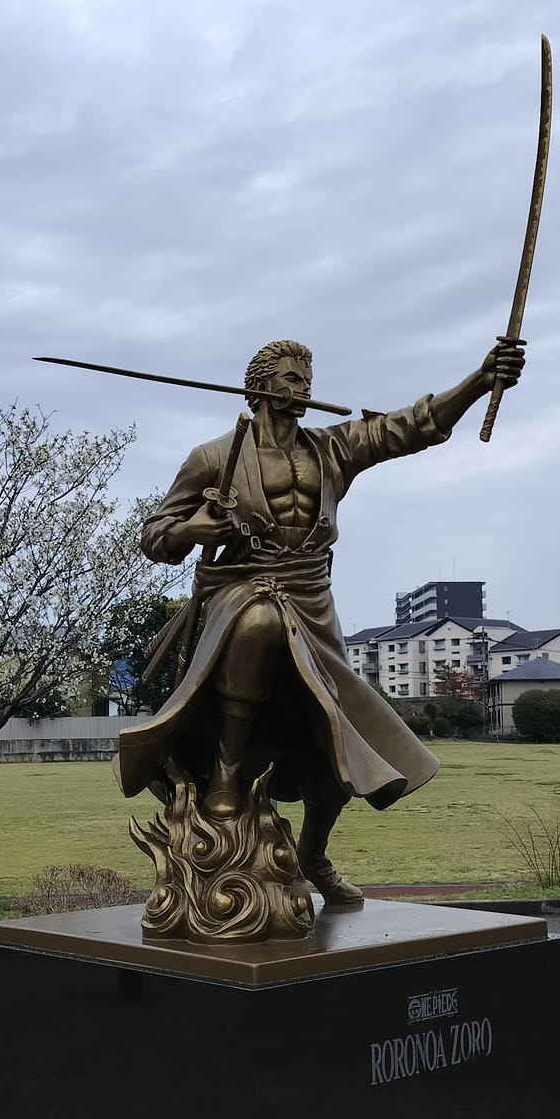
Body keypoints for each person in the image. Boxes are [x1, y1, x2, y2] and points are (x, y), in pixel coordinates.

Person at [115, 335, 525, 905]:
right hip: (242, 589)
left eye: (307, 380)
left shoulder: (331, 449)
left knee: (334, 732)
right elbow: (155, 536)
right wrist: (193, 529)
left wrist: (480, 380)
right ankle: (226, 772)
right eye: (290, 378)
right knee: (258, 620)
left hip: (311, 600)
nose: (302, 388)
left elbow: (411, 427)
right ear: (260, 386)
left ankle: (313, 853)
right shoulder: (212, 457)